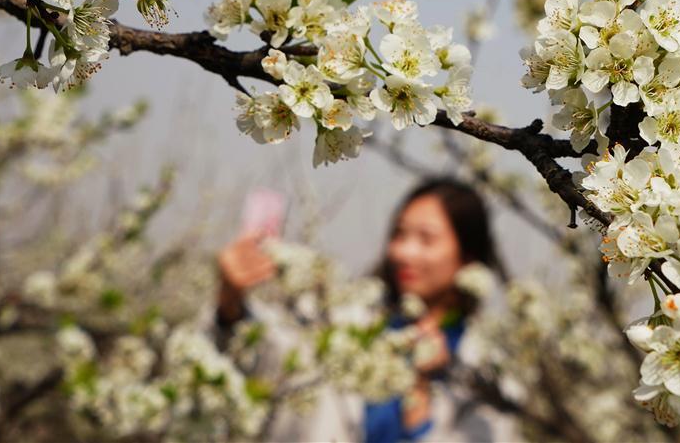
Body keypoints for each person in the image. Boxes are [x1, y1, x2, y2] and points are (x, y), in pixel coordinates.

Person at [212, 177, 516, 442]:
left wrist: (420, 395)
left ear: (467, 257)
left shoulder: (488, 372)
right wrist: (231, 300)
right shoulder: (350, 319)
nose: (403, 252)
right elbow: (268, 352)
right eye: (399, 234)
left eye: (426, 239)